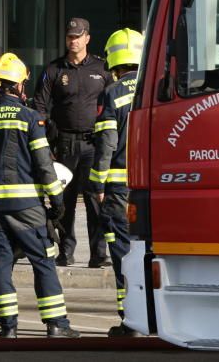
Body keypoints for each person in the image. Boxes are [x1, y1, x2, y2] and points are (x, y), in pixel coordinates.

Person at [0, 52, 81, 339]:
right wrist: (56, 204)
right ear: (19, 85)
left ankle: (8, 328)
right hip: (26, 207)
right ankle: (57, 325)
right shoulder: (29, 117)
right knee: (43, 260)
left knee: (1, 265)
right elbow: (44, 165)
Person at [34, 17, 110, 267]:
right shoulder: (55, 69)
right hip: (64, 144)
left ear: (87, 38)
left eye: (77, 36)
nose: (73, 41)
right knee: (64, 201)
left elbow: (113, 103)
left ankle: (98, 255)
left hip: (93, 144)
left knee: (94, 200)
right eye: (69, 37)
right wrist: (45, 143)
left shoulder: (102, 68)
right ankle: (65, 252)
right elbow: (40, 107)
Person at [90, 28, 143, 337]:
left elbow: (107, 143)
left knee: (122, 253)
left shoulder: (112, 93)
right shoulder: (157, 87)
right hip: (152, 185)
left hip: (120, 188)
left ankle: (131, 320)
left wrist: (97, 184)